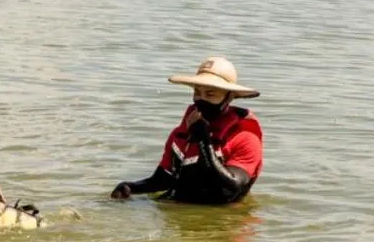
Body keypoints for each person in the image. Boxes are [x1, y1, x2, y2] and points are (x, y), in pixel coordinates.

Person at [110, 56, 263, 205]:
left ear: (229, 97)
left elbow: (232, 188)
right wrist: (132, 187)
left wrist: (203, 140)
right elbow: (163, 179)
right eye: (197, 93)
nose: (201, 99)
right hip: (177, 207)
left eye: (210, 94)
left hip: (221, 217)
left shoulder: (246, 137)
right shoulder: (182, 133)